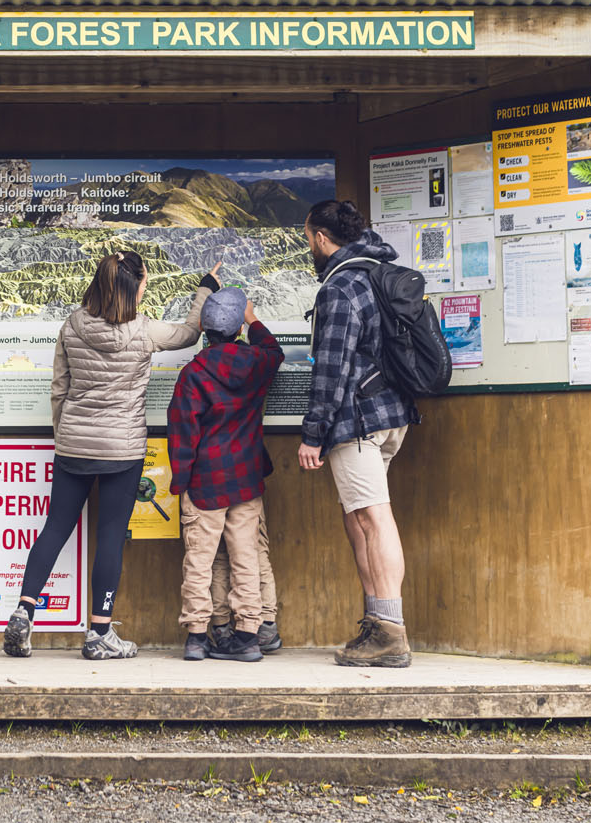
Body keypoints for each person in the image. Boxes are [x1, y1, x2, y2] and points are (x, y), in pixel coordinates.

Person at [3, 249, 219, 661]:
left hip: (74, 445)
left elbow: (59, 389)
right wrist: (205, 290)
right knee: (109, 538)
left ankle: (24, 610)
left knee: (55, 528)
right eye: (144, 282)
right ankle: (99, 632)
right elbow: (190, 333)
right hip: (121, 449)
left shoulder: (72, 325)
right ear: (134, 288)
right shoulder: (144, 332)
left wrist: (64, 435)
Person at [299, 199, 419, 668]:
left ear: (323, 239)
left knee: (373, 517)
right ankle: (377, 626)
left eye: (309, 237)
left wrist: (314, 434)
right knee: (359, 516)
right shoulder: (379, 269)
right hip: (392, 414)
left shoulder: (340, 287)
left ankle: (391, 631)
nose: (309, 246)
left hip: (358, 420)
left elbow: (331, 369)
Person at [167, 287, 284, 662]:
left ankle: (197, 638)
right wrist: (252, 318)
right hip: (245, 478)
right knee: (246, 556)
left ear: (203, 327)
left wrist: (180, 482)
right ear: (237, 329)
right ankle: (248, 635)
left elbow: (182, 435)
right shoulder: (257, 363)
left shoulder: (193, 374)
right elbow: (274, 351)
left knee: (199, 561)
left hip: (204, 483)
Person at [209, 505, 280, 653]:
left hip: (209, 493)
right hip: (245, 490)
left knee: (218, 556)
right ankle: (265, 625)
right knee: (255, 551)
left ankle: (221, 628)